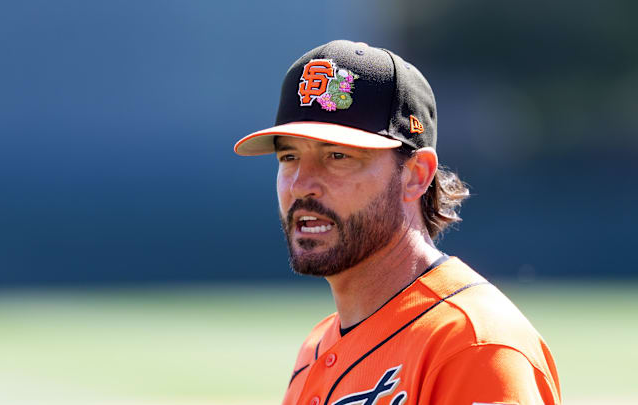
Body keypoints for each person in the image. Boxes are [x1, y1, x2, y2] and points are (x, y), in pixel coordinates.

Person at [234, 40, 561, 405]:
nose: (301, 185)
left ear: (416, 175)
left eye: (337, 155)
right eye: (289, 155)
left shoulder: (474, 345)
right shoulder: (314, 349)